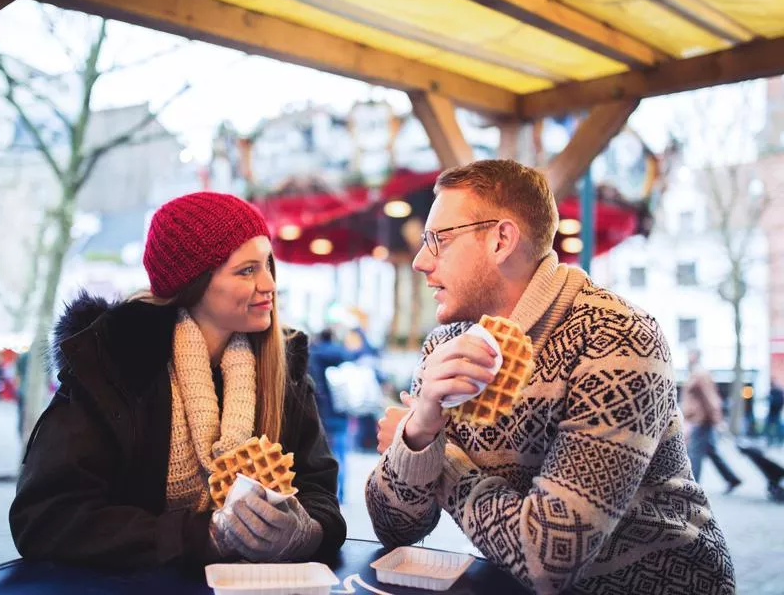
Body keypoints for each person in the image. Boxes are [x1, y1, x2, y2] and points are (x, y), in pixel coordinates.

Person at [366, 160, 734, 594]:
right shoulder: (444, 347)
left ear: (501, 239)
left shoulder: (617, 337)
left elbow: (550, 557)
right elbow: (396, 530)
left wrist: (438, 460)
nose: (420, 261)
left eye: (438, 240)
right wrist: (422, 430)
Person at [10, 192, 346, 569]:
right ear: (194, 282)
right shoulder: (116, 365)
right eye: (247, 270)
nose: (269, 284)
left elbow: (321, 494)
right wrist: (207, 537)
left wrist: (306, 532)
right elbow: (45, 519)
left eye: (268, 264)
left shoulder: (283, 370)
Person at [680, 348, 742, 494]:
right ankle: (731, 478)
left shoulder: (700, 373)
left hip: (701, 420)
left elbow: (710, 397)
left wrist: (717, 419)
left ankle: (692, 487)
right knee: (710, 451)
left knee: (695, 452)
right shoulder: (695, 372)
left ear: (694, 356)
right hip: (699, 419)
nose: (688, 357)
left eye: (689, 354)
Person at [308, 328, 353, 503]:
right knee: (341, 453)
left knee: (324, 455)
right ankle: (342, 493)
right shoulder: (343, 356)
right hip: (341, 413)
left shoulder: (313, 356)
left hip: (321, 415)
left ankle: (329, 492)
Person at [764, 380, 783, 447]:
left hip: (774, 412)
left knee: (771, 427)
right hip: (775, 412)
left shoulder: (774, 392)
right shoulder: (778, 392)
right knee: (775, 427)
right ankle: (776, 441)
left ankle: (773, 441)